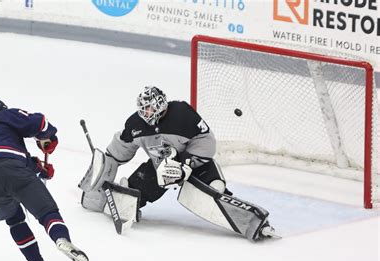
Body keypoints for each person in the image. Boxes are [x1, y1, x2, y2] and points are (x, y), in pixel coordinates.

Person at [80, 86, 278, 241]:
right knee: (129, 196)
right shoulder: (135, 124)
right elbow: (117, 152)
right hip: (160, 170)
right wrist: (101, 175)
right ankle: (121, 197)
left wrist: (186, 164)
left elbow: (206, 142)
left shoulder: (182, 113)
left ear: (160, 104)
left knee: (215, 193)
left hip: (193, 166)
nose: (145, 112)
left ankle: (254, 224)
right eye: (142, 108)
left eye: (149, 107)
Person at [0, 98, 89, 261]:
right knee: (46, 210)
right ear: (1, 108)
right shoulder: (4, 116)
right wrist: (49, 137)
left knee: (15, 221)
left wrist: (39, 169)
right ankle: (61, 239)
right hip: (9, 169)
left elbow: (5, 156)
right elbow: (38, 122)